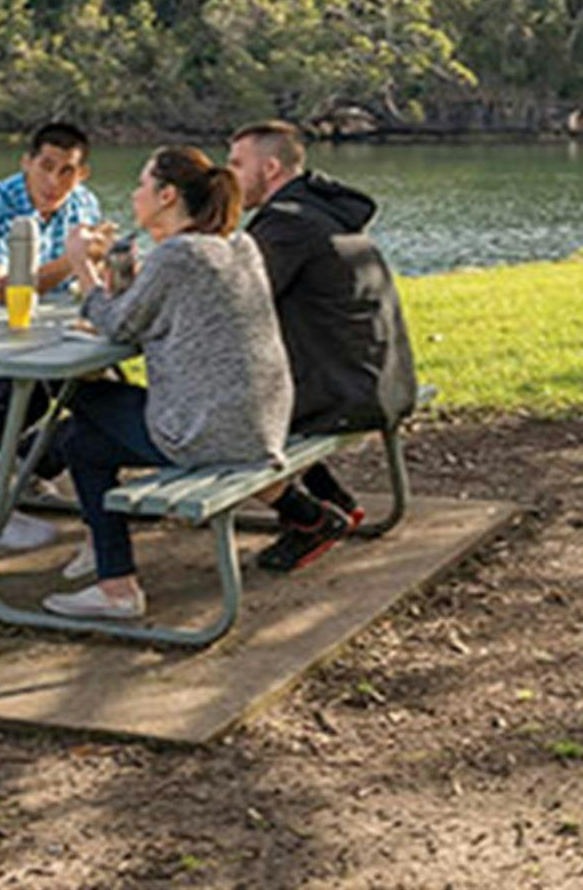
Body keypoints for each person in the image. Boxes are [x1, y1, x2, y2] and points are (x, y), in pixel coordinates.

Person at [41, 145, 296, 620]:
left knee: (80, 398)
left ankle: (112, 579)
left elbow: (118, 326)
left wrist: (81, 265)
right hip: (261, 421)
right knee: (84, 442)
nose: (135, 193)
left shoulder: (179, 253)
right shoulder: (236, 245)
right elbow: (142, 313)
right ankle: (109, 571)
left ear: (166, 195)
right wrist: (117, 279)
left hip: (206, 432)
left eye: (141, 184)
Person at [226, 120, 418, 572]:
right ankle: (336, 501)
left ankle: (308, 518)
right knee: (251, 389)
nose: (226, 175)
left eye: (236, 164)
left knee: (222, 413)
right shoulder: (316, 211)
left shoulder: (287, 225)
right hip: (379, 380)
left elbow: (231, 305)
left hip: (346, 392)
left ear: (270, 168)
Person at [0, 121, 106, 490]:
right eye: (46, 167)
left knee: (102, 390)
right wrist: (72, 260)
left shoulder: (84, 204)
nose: (55, 182)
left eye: (67, 171)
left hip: (52, 330)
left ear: (82, 174)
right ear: (26, 163)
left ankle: (31, 462)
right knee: (24, 392)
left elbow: (89, 278)